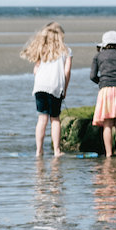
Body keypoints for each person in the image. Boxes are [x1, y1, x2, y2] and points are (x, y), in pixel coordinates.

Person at [20, 21, 72, 157]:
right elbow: (67, 72)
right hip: (55, 86)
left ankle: (39, 151)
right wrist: (64, 89)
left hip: (40, 86)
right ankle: (57, 151)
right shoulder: (66, 50)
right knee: (55, 119)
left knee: (42, 118)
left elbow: (35, 70)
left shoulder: (42, 50)